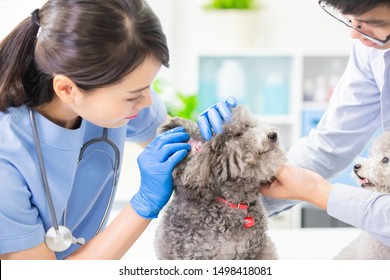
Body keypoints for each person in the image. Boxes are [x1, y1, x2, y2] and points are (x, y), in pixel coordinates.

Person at [0, 0, 196, 260]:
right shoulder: (7, 154)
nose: (148, 101)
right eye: (133, 95)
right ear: (67, 89)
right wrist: (143, 204)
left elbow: (192, 158)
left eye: (148, 86)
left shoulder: (119, 101)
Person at [199, 0, 390, 248]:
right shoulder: (370, 49)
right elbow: (328, 146)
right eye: (351, 20)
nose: (354, 33)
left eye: (372, 24)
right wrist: (228, 200)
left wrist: (317, 192)